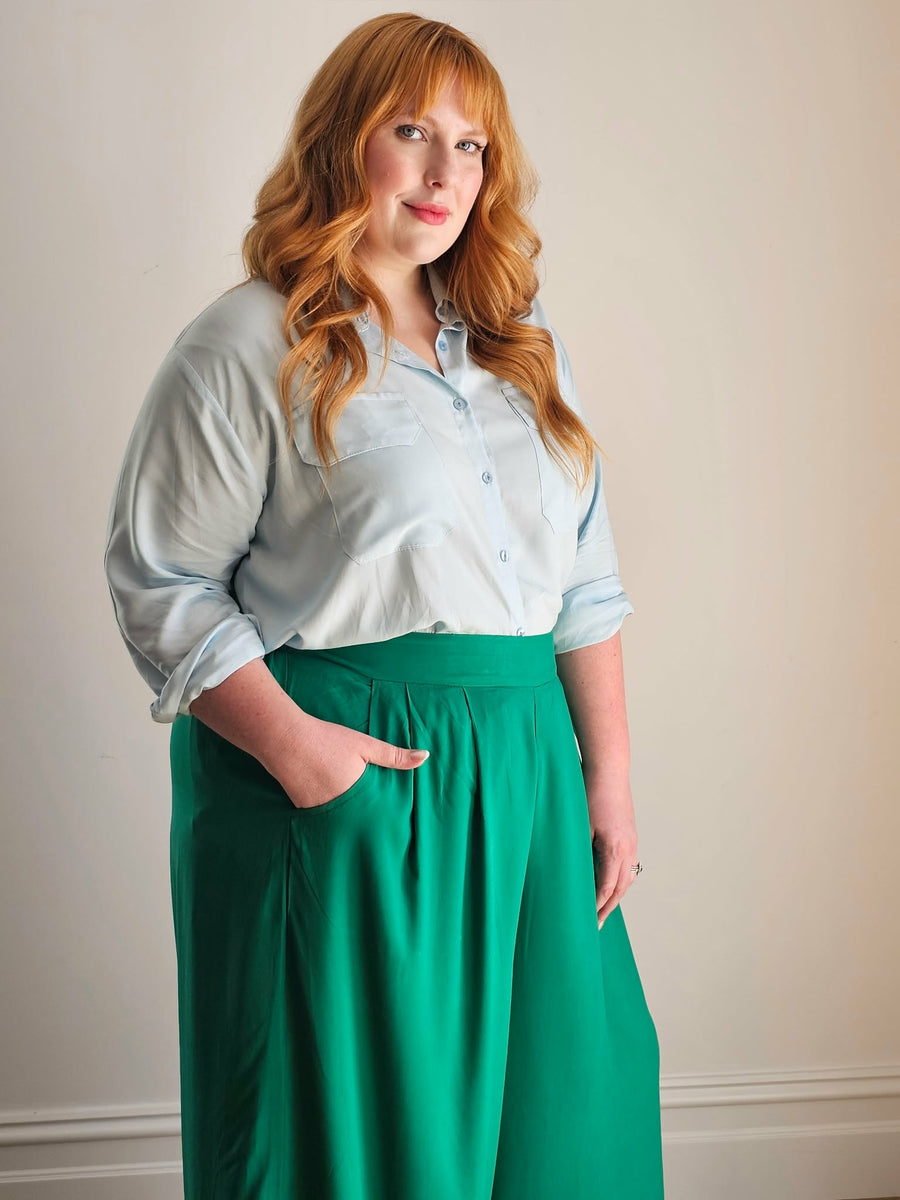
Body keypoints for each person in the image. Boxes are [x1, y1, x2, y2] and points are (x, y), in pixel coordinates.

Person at [104, 12, 664, 1198]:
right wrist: (305, 760)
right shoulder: (250, 342)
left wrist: (604, 779)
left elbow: (583, 582)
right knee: (358, 1146)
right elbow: (161, 580)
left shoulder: (517, 345)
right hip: (354, 775)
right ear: (342, 140)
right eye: (411, 130)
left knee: (570, 1128)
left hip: (526, 779)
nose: (443, 171)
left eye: (472, 145)